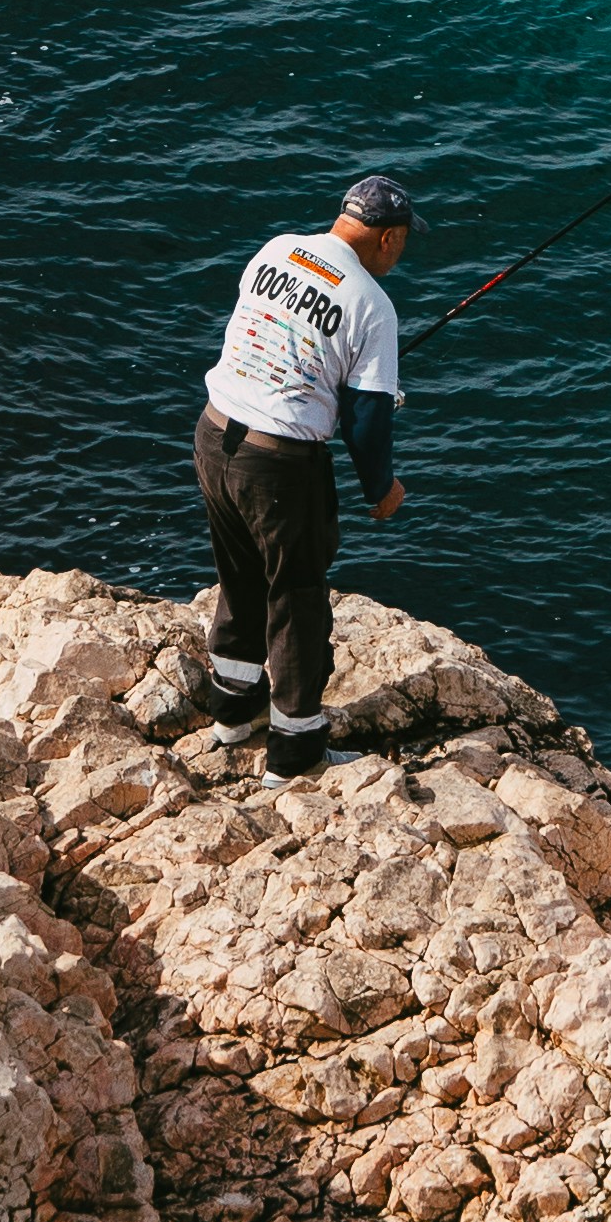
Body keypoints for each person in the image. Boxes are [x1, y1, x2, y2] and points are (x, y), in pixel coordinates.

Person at [194, 169, 411, 779]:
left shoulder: (278, 248)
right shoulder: (372, 303)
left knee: (239, 577)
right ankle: (294, 754)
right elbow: (366, 420)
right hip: (278, 462)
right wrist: (382, 490)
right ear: (388, 238)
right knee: (298, 598)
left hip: (214, 433)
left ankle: (233, 717)